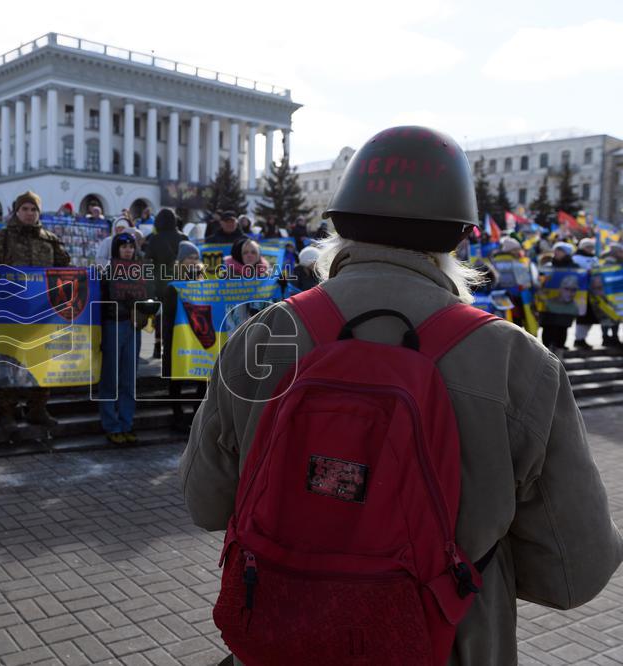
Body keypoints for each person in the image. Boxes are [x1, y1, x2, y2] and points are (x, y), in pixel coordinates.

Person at [180, 126, 622, 666]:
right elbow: (576, 571)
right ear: (460, 236)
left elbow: (204, 502)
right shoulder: (516, 361)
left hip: (279, 636)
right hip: (445, 646)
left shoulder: (263, 335)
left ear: (338, 223)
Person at [0, 191, 71, 435]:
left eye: (34, 210)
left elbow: (65, 271)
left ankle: (37, 408)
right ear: (16, 211)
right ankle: (6, 411)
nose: (30, 214)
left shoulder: (51, 240)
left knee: (40, 362)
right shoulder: (1, 238)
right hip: (9, 312)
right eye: (25, 209)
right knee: (7, 363)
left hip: (42, 313)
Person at [98, 232, 148, 444]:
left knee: (129, 378)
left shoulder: (140, 271)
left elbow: (147, 298)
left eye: (131, 246)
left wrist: (145, 313)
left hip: (132, 327)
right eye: (123, 246)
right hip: (114, 325)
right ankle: (111, 424)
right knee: (111, 377)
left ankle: (127, 423)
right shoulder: (108, 272)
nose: (128, 250)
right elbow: (101, 302)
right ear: (116, 249)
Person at [162, 240, 207, 429]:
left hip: (198, 336)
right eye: (189, 257)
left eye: (196, 257)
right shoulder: (173, 284)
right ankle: (177, 416)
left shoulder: (205, 283)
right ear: (180, 261)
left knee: (203, 377)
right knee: (176, 377)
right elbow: (169, 312)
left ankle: (196, 413)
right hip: (177, 336)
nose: (193, 261)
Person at [142, 208, 189, 359]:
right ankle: (178, 345)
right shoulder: (183, 237)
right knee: (179, 315)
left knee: (161, 316)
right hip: (181, 281)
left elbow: (148, 259)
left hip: (161, 281)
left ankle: (158, 346)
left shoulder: (155, 238)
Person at [540, 241, 580, 354]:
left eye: (560, 250)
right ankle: (545, 353)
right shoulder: (548, 267)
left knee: (562, 328)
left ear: (566, 253)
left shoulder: (575, 267)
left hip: (566, 306)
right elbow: (540, 283)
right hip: (549, 305)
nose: (556, 252)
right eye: (556, 250)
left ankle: (559, 353)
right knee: (548, 328)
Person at [572, 237, 599, 349]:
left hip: (595, 291)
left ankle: (583, 338)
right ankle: (579, 339)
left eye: (591, 247)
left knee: (592, 317)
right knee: (582, 316)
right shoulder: (576, 258)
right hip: (581, 291)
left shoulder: (595, 258)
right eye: (588, 246)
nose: (590, 249)